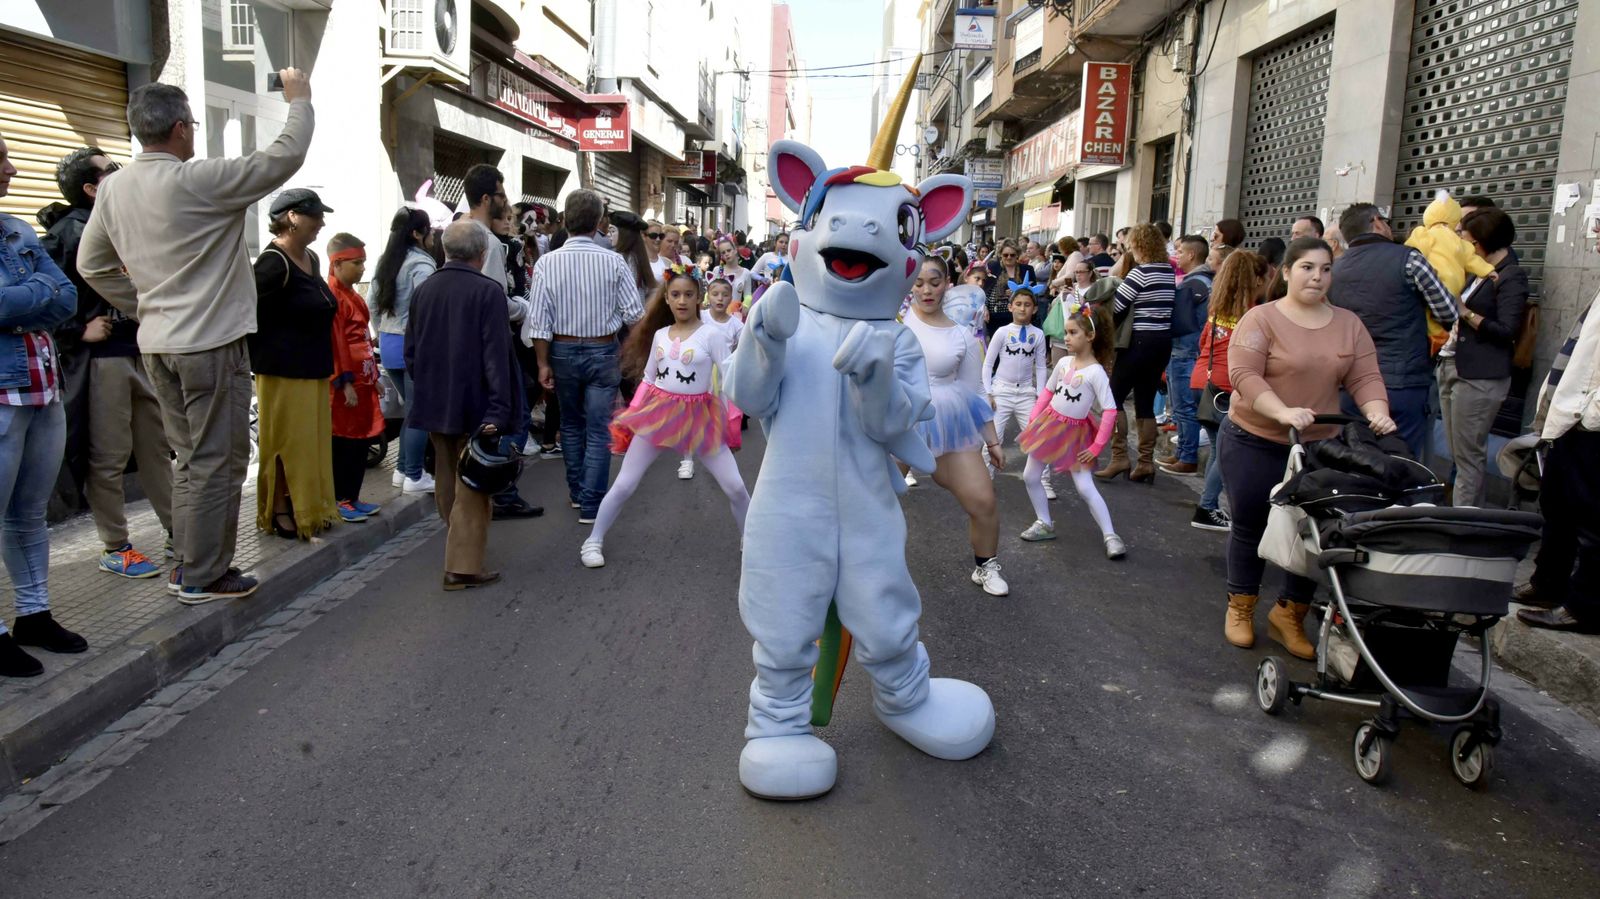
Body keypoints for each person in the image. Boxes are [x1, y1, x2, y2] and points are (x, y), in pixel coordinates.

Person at [78, 69, 314, 602]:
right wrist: (299, 98)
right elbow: (285, 155)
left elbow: (91, 264)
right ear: (182, 128)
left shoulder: (114, 186)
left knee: (189, 458)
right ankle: (204, 573)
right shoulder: (198, 179)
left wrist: (140, 305)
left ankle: (185, 561)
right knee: (217, 461)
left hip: (157, 342)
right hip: (208, 343)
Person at [1218, 238, 1394, 658]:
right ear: (1286, 272)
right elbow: (1243, 374)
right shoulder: (1261, 319)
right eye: (1308, 268)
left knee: (1313, 533)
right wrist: (1280, 411)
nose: (1318, 276)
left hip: (1319, 447)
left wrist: (1377, 411)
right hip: (1254, 439)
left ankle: (1289, 614)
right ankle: (1240, 607)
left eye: (1326, 269)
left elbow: (1365, 376)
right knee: (1251, 524)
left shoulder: (1348, 323)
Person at [42, 147, 175, 577]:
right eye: (108, 172)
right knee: (109, 455)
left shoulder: (121, 220)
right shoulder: (66, 234)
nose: (120, 176)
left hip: (139, 350)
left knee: (157, 448)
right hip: (102, 362)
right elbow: (44, 300)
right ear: (89, 187)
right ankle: (116, 545)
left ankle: (181, 531)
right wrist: (77, 331)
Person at [580, 268, 750, 569]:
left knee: (735, 487)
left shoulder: (712, 335)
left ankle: (750, 538)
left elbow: (728, 380)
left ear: (700, 297)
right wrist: (632, 415)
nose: (682, 301)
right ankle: (593, 539)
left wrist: (734, 423)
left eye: (688, 295)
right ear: (667, 300)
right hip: (658, 415)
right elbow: (648, 379)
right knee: (624, 484)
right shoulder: (659, 334)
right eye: (675, 295)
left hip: (700, 418)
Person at [0, 133, 89, 677]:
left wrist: (24, 301)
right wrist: (38, 295)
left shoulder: (14, 229)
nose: (11, 169)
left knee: (28, 512)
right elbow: (40, 297)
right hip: (3, 391)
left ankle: (33, 613)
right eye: (1, 159)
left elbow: (69, 296)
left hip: (41, 385)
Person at [407, 221, 518, 590]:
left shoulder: (425, 289)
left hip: (435, 399)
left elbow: (412, 351)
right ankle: (462, 566)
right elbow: (496, 356)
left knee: (446, 474)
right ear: (482, 254)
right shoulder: (487, 291)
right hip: (475, 402)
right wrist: (500, 410)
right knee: (472, 481)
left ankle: (457, 545)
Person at [525, 189, 646, 523]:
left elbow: (538, 320)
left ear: (565, 220)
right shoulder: (614, 261)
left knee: (572, 424)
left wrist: (542, 362)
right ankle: (592, 503)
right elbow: (634, 314)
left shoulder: (547, 262)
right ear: (597, 223)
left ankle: (579, 493)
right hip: (603, 349)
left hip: (562, 350)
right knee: (597, 428)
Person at [905, 257, 1009, 596]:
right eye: (918, 282)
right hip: (899, 420)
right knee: (867, 498)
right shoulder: (894, 322)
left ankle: (986, 565)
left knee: (983, 501)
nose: (926, 290)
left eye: (934, 282)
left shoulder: (963, 334)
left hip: (949, 422)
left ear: (947, 282)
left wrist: (992, 441)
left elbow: (976, 391)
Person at [1515, 240, 1599, 632]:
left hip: (1590, 418)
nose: (1596, 238)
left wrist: (1590, 411)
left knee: (1591, 517)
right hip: (1573, 415)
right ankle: (1547, 584)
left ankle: (1584, 606)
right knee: (1558, 505)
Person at [1330, 202, 1458, 458]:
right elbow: (1448, 312)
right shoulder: (1409, 258)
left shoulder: (1333, 271)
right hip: (1402, 383)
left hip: (1350, 384)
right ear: (1377, 221)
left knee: (1355, 459)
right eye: (1387, 221)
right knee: (1402, 461)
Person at [251, 189, 339, 539]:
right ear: (291, 217)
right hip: (283, 371)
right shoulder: (274, 263)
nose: (321, 223)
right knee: (286, 444)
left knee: (310, 444)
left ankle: (311, 506)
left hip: (312, 368)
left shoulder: (311, 258)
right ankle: (280, 509)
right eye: (315, 216)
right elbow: (251, 312)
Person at [1017, 300, 1124, 557]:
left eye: (1073, 332)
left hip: (1076, 435)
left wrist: (1098, 445)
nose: (1066, 337)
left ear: (1090, 336)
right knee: (1031, 476)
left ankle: (1111, 535)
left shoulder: (1096, 372)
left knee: (1085, 487)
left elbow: (1110, 411)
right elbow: (1047, 392)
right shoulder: (1064, 363)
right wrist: (1034, 418)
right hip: (1049, 426)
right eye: (1066, 332)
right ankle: (1044, 522)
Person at [1438, 208, 1526, 507]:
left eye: (1471, 242)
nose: (1466, 247)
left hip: (1480, 375)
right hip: (1453, 363)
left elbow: (1506, 330)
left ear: (1487, 241)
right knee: (1460, 454)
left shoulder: (1511, 276)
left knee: (1468, 457)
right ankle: (1470, 518)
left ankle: (1461, 526)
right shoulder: (1475, 269)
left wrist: (1466, 312)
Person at [1186, 250, 1265, 533]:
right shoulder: (1255, 313)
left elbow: (1204, 343)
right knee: (1226, 453)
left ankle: (1210, 507)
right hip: (1226, 388)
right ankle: (1207, 507)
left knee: (1220, 449)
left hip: (1202, 382)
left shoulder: (1217, 309)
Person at [1096, 224, 1176, 484]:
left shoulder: (1140, 273)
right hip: (1161, 342)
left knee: (1113, 398)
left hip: (1138, 341)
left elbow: (1117, 308)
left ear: (1139, 246)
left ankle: (1119, 456)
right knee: (1145, 401)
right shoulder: (1167, 271)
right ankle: (1145, 462)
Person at [368, 206, 438, 495]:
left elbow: (372, 302)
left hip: (389, 342)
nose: (433, 234)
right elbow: (428, 306)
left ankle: (401, 470)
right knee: (418, 410)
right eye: (429, 229)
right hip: (414, 343)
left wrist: (380, 333)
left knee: (410, 409)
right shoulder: (422, 265)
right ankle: (413, 474)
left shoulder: (387, 261)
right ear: (417, 233)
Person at [326, 233, 384, 521]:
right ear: (337, 264)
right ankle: (340, 498)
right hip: (346, 383)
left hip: (364, 379)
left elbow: (363, 337)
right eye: (356, 263)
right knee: (345, 441)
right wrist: (345, 382)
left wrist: (374, 377)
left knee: (362, 441)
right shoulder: (333, 297)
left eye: (363, 262)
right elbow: (336, 345)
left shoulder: (353, 296)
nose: (362, 268)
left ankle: (353, 495)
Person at [983, 287, 1050, 499]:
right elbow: (988, 364)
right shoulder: (1002, 332)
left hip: (1026, 394)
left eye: (1027, 305)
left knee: (1038, 439)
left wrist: (1041, 395)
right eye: (1018, 304)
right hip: (1002, 391)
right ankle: (986, 479)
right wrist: (988, 392)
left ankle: (1044, 481)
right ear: (1011, 306)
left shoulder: (1038, 335)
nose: (1022, 308)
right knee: (993, 438)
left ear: (1035, 309)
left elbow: (1040, 367)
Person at [1157, 235, 1214, 476]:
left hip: (1185, 352)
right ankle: (1182, 452)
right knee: (1180, 407)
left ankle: (1188, 456)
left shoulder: (1196, 284)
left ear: (1192, 255)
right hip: (1184, 351)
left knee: (1184, 407)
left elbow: (1181, 320)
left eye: (1180, 252)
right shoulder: (1199, 281)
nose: (1176, 256)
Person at [699, 271, 745, 451]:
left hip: (723, 376)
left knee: (720, 413)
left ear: (731, 297)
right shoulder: (701, 317)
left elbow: (745, 348)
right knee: (694, 414)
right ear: (708, 296)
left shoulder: (736, 325)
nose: (720, 299)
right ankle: (687, 459)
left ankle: (721, 450)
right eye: (715, 294)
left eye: (725, 295)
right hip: (700, 372)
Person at [984, 240, 1028, 341]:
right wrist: (984, 307)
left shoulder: (1026, 270)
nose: (1009, 257)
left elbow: (1033, 294)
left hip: (1017, 316)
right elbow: (986, 290)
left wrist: (1017, 293)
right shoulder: (993, 267)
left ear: (1017, 255)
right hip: (995, 317)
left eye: (1012, 255)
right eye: (1005, 255)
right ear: (1000, 255)